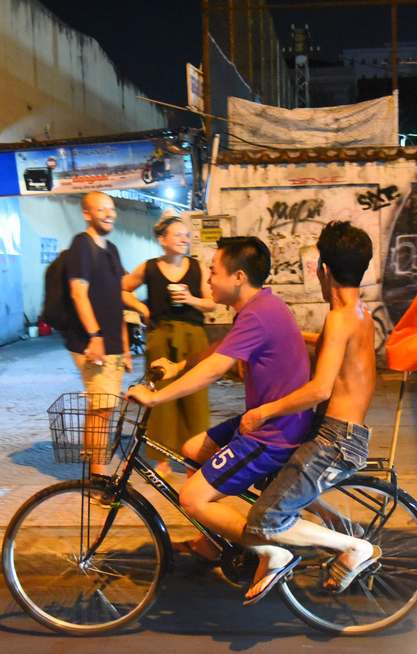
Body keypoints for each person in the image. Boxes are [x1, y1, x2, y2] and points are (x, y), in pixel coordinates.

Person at [125, 236, 312, 581]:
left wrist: (155, 397)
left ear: (238, 277)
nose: (208, 279)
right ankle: (212, 539)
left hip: (273, 433)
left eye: (213, 271)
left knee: (192, 499)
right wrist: (179, 367)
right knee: (191, 450)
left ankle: (270, 552)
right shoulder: (258, 308)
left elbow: (214, 369)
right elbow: (220, 350)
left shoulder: (259, 314)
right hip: (265, 420)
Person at [238, 221, 379, 603]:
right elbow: (341, 348)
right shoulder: (361, 313)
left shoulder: (338, 318)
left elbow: (319, 388)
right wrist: (296, 335)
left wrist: (265, 411)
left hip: (335, 439)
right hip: (347, 433)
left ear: (324, 270)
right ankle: (341, 532)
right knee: (272, 481)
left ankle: (354, 548)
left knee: (265, 519)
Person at [122, 213, 215, 477]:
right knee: (160, 397)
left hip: (193, 337)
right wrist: (143, 309)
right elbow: (122, 289)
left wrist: (190, 299)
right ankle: (161, 459)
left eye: (186, 235)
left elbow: (210, 303)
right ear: (162, 239)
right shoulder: (149, 267)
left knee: (195, 396)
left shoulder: (197, 268)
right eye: (178, 235)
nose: (184, 239)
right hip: (160, 335)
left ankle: (193, 458)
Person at [68, 192, 132, 478]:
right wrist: (94, 337)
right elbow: (78, 294)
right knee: (102, 411)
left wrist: (126, 347)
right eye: (101, 209)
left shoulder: (112, 249)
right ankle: (99, 476)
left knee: (101, 409)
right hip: (94, 342)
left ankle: (95, 470)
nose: (109, 213)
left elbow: (116, 298)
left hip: (113, 342)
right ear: (87, 214)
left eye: (111, 208)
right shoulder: (82, 246)